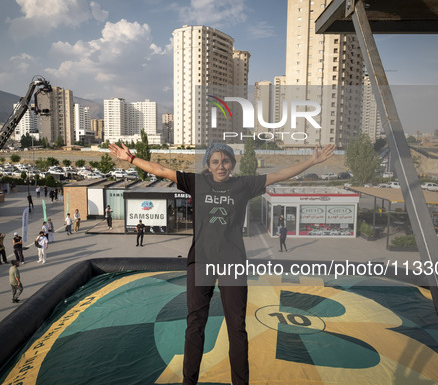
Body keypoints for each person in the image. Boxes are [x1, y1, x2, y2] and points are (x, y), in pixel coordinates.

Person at [109, 141, 335, 384]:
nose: (221, 166)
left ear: (232, 164)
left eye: (225, 161)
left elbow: (279, 175)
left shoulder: (243, 185)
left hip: (232, 262)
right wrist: (131, 159)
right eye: (215, 161)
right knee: (195, 324)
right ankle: (189, 381)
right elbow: (161, 170)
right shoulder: (197, 182)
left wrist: (312, 161)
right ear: (208, 164)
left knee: (236, 328)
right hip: (202, 261)